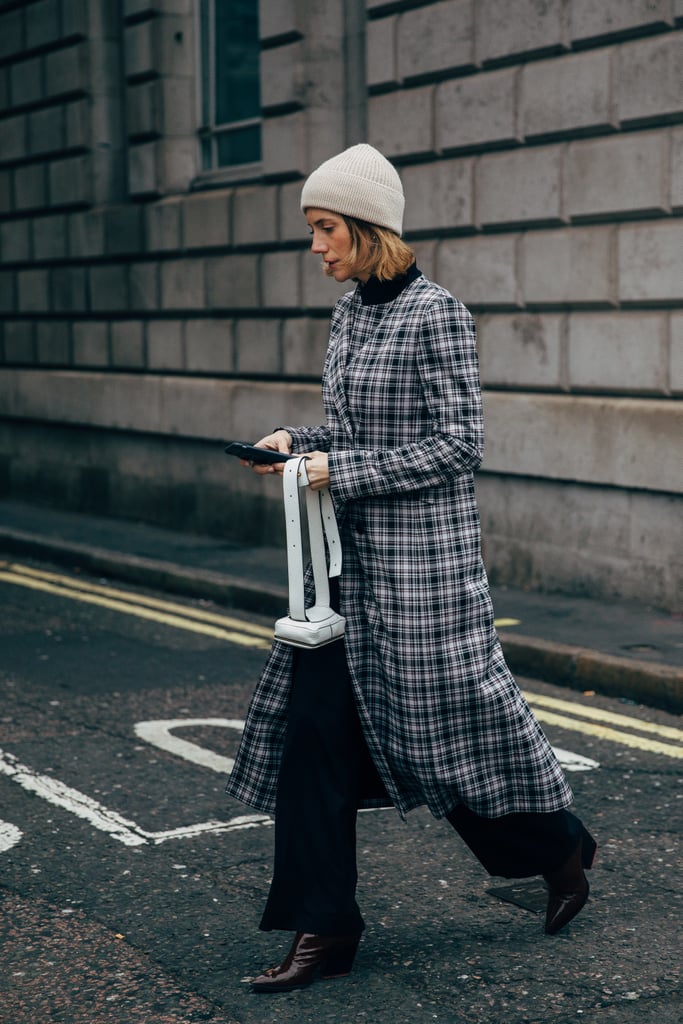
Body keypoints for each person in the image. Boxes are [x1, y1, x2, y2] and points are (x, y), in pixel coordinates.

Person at [226, 143, 596, 994]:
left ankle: (557, 848)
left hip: (426, 580)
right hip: (349, 574)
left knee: (443, 750)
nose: (315, 246)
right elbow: (354, 430)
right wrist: (297, 443)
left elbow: (458, 447)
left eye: (324, 229)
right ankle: (325, 930)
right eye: (312, 230)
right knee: (312, 743)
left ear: (366, 228)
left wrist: (341, 470)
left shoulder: (437, 314)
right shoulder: (351, 313)